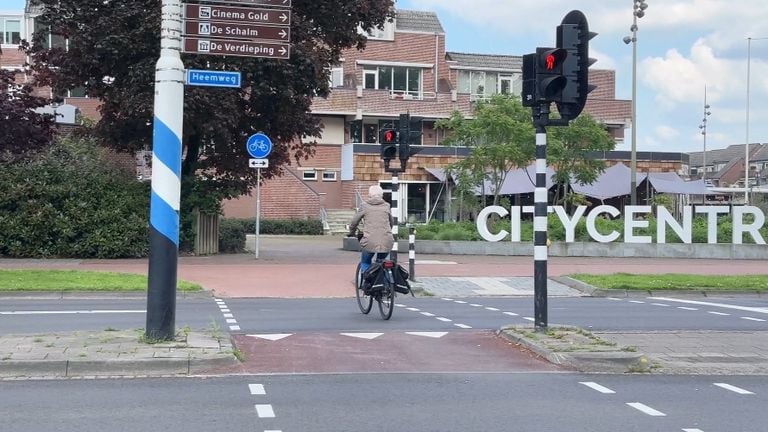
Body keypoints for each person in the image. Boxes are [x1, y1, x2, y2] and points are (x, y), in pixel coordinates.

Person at [349, 185, 394, 274]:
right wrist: (388, 232)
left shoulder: (364, 206)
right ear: (382, 195)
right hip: (386, 241)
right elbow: (391, 222)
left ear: (369, 195)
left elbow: (354, 221)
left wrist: (352, 231)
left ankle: (367, 282)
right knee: (382, 262)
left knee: (365, 261)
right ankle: (385, 282)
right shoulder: (387, 206)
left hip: (369, 241)